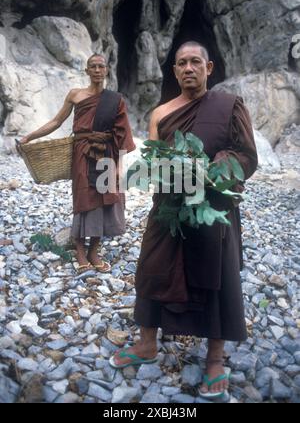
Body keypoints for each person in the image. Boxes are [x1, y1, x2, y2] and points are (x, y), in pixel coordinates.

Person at [109, 41, 258, 399]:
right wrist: (171, 172)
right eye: (181, 63)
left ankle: (215, 357)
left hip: (213, 202)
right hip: (170, 206)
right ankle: (147, 344)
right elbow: (154, 162)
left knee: (216, 273)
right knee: (153, 266)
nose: (188, 68)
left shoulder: (229, 106)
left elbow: (247, 156)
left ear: (209, 68)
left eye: (195, 62)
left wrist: (214, 167)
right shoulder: (161, 114)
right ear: (174, 71)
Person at [20, 53, 135, 274]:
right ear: (87, 70)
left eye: (101, 66)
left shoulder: (115, 100)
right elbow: (56, 121)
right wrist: (29, 137)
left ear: (106, 70)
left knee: (105, 199)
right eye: (93, 66)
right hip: (82, 152)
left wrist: (120, 166)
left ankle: (94, 250)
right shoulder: (75, 95)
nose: (97, 70)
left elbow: (122, 135)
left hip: (107, 152)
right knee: (84, 198)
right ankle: (80, 251)